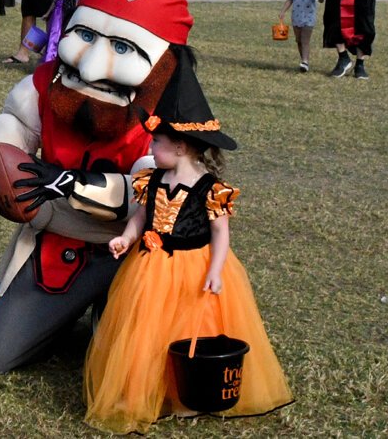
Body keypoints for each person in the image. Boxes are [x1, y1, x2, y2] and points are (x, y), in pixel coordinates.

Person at [0, 0, 200, 376]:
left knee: (128, 365)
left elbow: (157, 190)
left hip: (133, 251)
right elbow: (15, 123)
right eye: (85, 36)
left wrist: (71, 184)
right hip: (60, 240)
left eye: (123, 48)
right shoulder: (48, 83)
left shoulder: (171, 111)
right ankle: (31, 300)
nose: (90, 66)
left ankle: (109, 313)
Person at [83, 74, 292, 435]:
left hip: (194, 268)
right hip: (149, 267)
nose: (151, 147)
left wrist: (216, 269)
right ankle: (143, 389)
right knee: (143, 328)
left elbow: (220, 232)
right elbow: (139, 216)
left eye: (157, 141)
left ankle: (187, 394)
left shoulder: (211, 189)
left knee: (191, 328)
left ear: (181, 147)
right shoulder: (151, 179)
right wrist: (126, 238)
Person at [279, 0, 320, 72]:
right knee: (298, 41)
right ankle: (303, 60)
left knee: (305, 40)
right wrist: (283, 11)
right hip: (296, 18)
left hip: (308, 19)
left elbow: (320, 0)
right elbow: (290, 0)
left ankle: (305, 61)